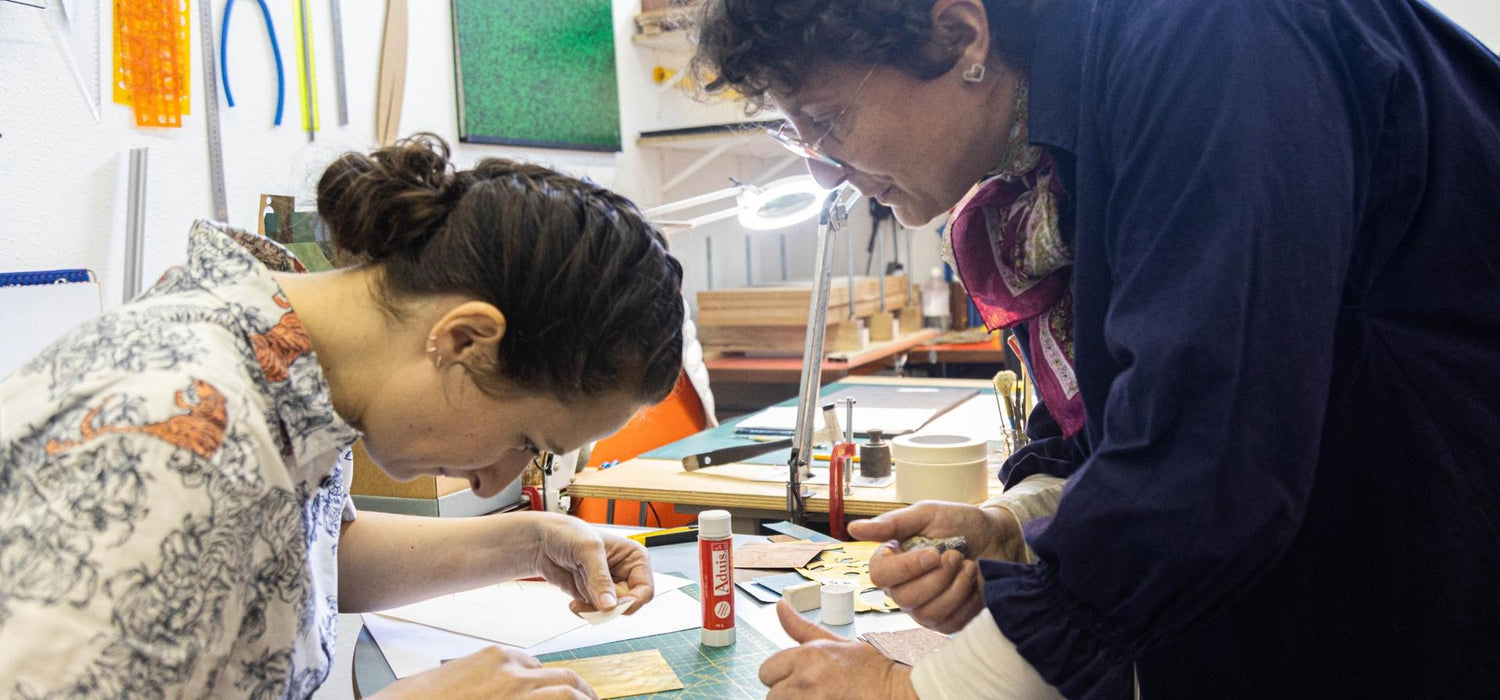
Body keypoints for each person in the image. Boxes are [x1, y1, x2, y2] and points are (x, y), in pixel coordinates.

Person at [692, 0, 1500, 697]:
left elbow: (1209, 457)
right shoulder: (1084, 109)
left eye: (828, 122)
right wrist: (1024, 522)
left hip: (1419, 596)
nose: (826, 175)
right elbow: (1132, 392)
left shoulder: (1206, 39)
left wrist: (919, 690)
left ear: (959, 33)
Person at [0, 134, 687, 698]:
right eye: (525, 440)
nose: (490, 485)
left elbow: (289, 559)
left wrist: (529, 541)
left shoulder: (284, 364)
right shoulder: (176, 431)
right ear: (464, 340)